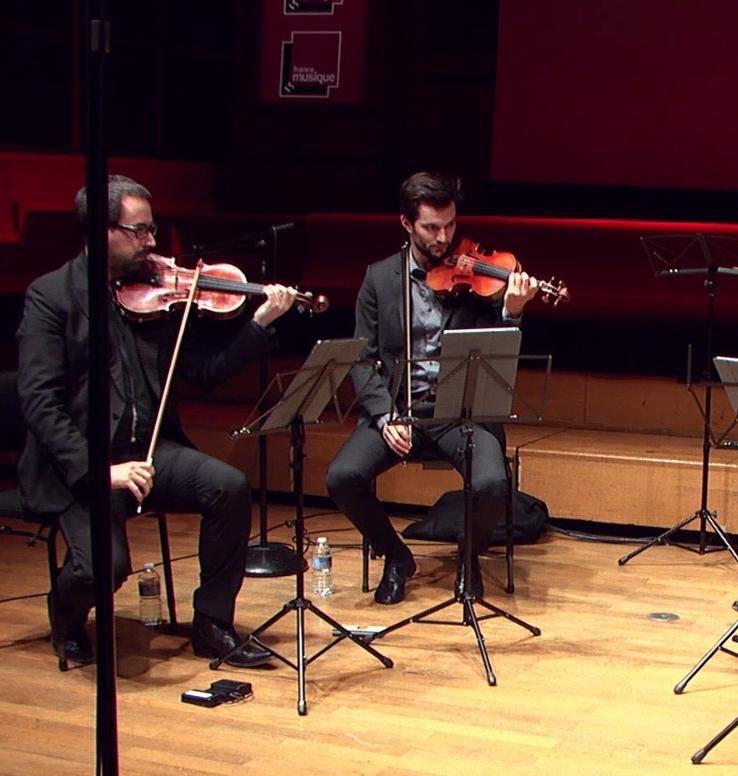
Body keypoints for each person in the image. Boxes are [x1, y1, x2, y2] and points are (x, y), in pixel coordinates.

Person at [17, 175, 296, 668]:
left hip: (148, 452)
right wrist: (101, 471)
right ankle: (66, 615)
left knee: (228, 487)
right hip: (81, 468)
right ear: (101, 231)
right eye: (140, 231)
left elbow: (202, 373)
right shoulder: (51, 297)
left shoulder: (153, 295)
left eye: (152, 230)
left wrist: (259, 324)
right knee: (106, 568)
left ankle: (211, 623)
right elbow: (39, 401)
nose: (152, 243)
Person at [326, 172, 540, 605]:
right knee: (342, 477)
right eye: (431, 227)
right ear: (406, 223)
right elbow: (363, 359)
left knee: (493, 484)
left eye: (450, 225)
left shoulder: (477, 279)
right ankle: (396, 555)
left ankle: (468, 558)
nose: (444, 238)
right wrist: (385, 415)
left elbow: (497, 349)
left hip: (460, 410)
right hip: (399, 409)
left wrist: (512, 311)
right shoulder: (380, 279)